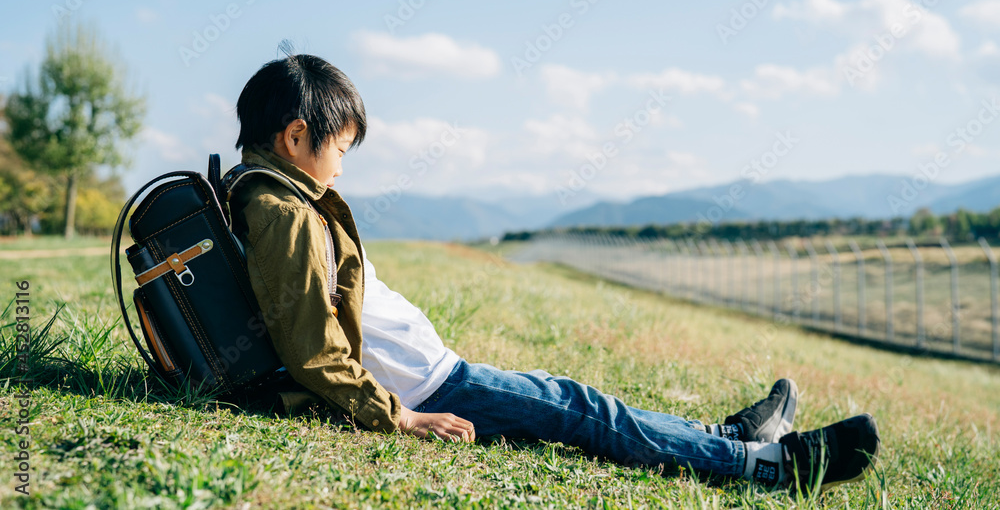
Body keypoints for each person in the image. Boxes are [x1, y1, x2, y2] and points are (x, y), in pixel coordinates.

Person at [228, 51, 880, 493]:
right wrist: (397, 417)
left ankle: (722, 434)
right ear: (294, 138)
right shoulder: (283, 212)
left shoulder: (277, 197)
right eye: (340, 148)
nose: (342, 165)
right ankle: (764, 466)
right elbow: (312, 347)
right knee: (580, 410)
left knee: (573, 399)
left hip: (434, 375)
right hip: (427, 389)